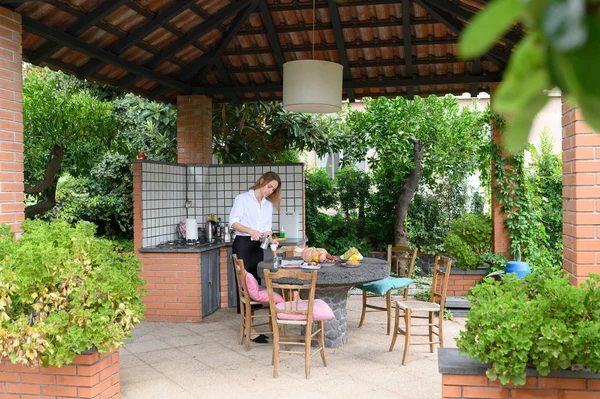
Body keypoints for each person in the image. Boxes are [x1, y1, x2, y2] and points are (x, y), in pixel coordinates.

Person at [229, 171, 281, 338]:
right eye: (269, 186)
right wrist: (250, 230)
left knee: (255, 286)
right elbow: (233, 222)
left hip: (257, 246)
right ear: (262, 181)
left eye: (273, 190)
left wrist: (270, 238)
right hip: (243, 245)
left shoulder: (267, 205)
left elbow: (266, 227)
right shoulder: (242, 198)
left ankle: (249, 327)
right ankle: (247, 329)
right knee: (245, 285)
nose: (270, 191)